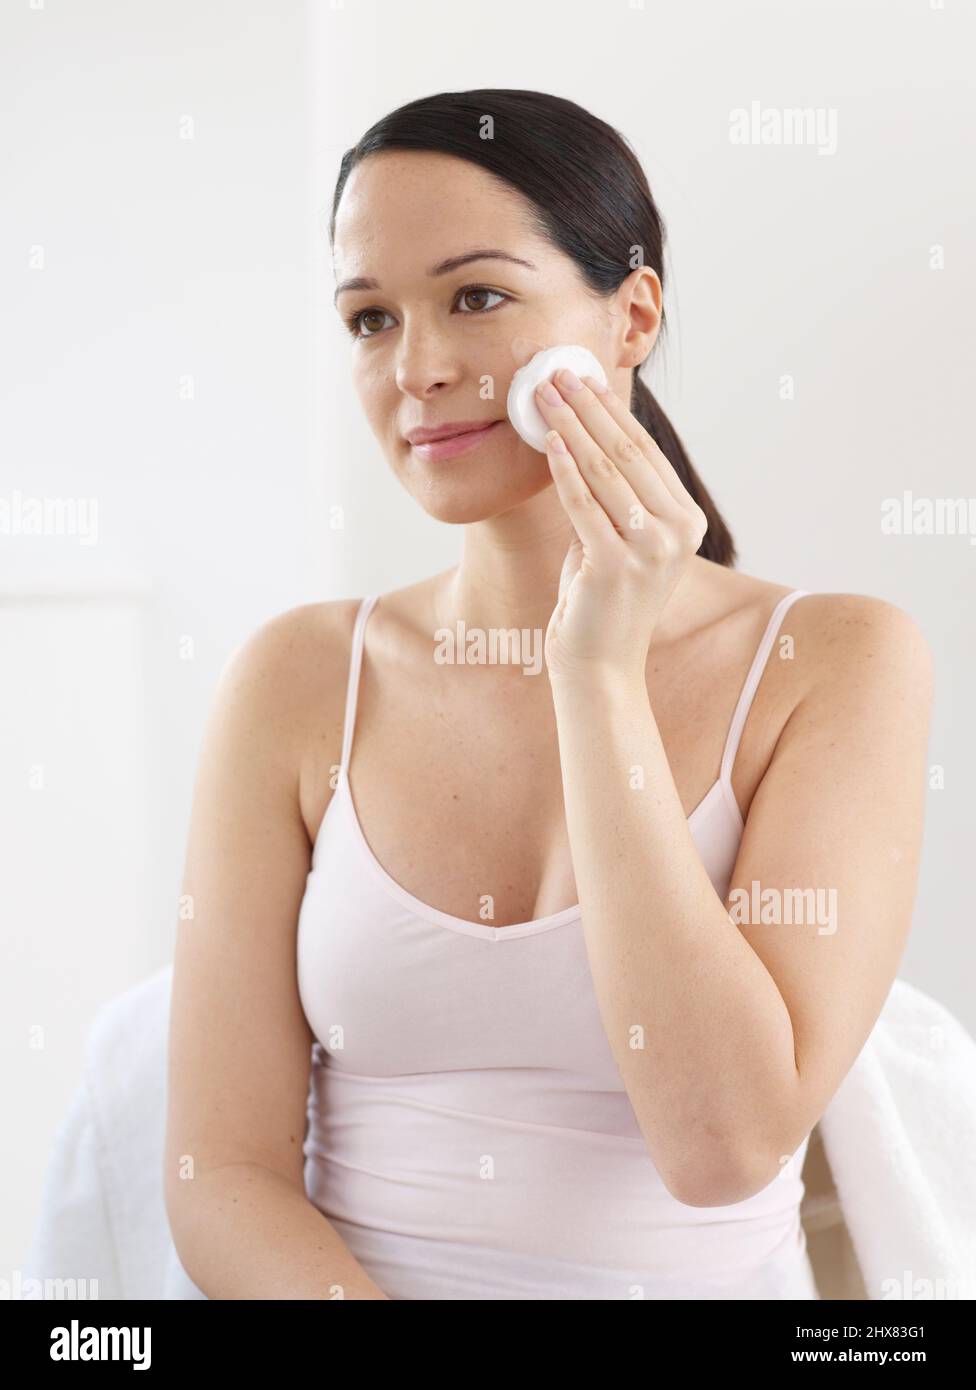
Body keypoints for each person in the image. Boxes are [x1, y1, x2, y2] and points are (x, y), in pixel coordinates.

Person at [163, 89, 933, 1300]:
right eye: (369, 319)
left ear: (630, 315)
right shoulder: (299, 677)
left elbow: (724, 1146)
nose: (416, 369)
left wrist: (595, 677)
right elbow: (222, 1174)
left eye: (475, 296)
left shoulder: (836, 661)